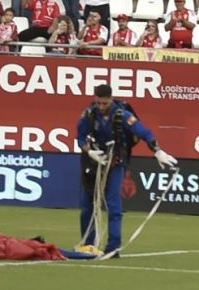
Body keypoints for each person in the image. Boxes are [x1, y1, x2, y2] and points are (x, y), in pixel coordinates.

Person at [76, 85, 177, 256]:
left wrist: (157, 151)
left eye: (104, 103)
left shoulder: (122, 115)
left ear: (111, 98)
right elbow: (80, 138)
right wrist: (89, 151)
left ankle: (113, 247)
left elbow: (144, 132)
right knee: (88, 205)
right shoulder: (89, 114)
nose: (101, 107)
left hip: (115, 162)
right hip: (94, 162)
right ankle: (88, 245)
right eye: (98, 103)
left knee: (114, 205)